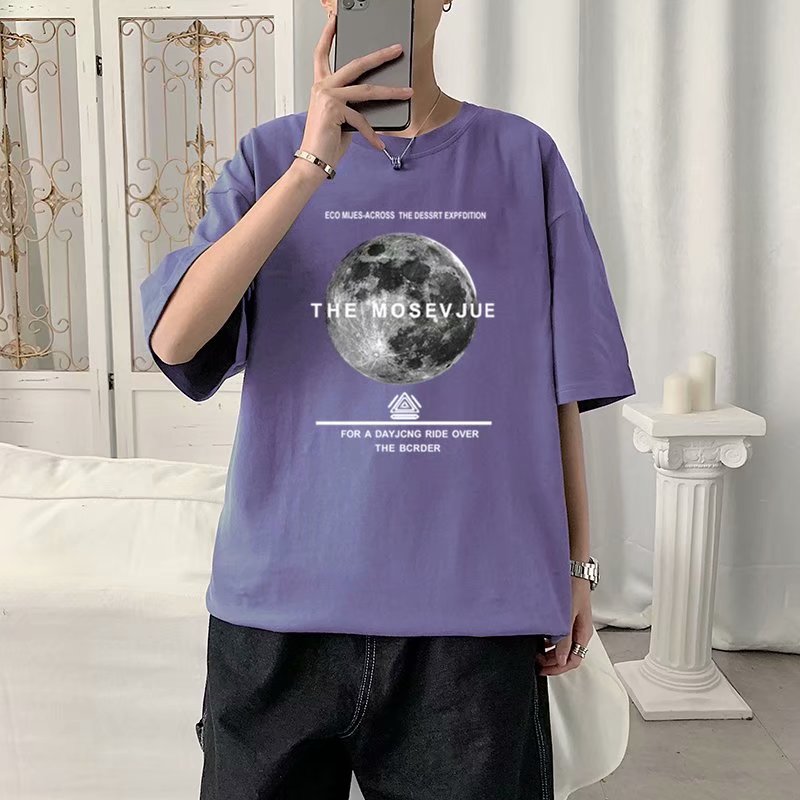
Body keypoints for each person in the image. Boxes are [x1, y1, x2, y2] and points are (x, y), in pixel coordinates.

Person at [139, 1, 636, 798]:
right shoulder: (270, 157)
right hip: (280, 613)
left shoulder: (523, 157)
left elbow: (559, 387)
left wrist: (578, 565)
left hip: (472, 616)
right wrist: (311, 165)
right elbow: (175, 340)